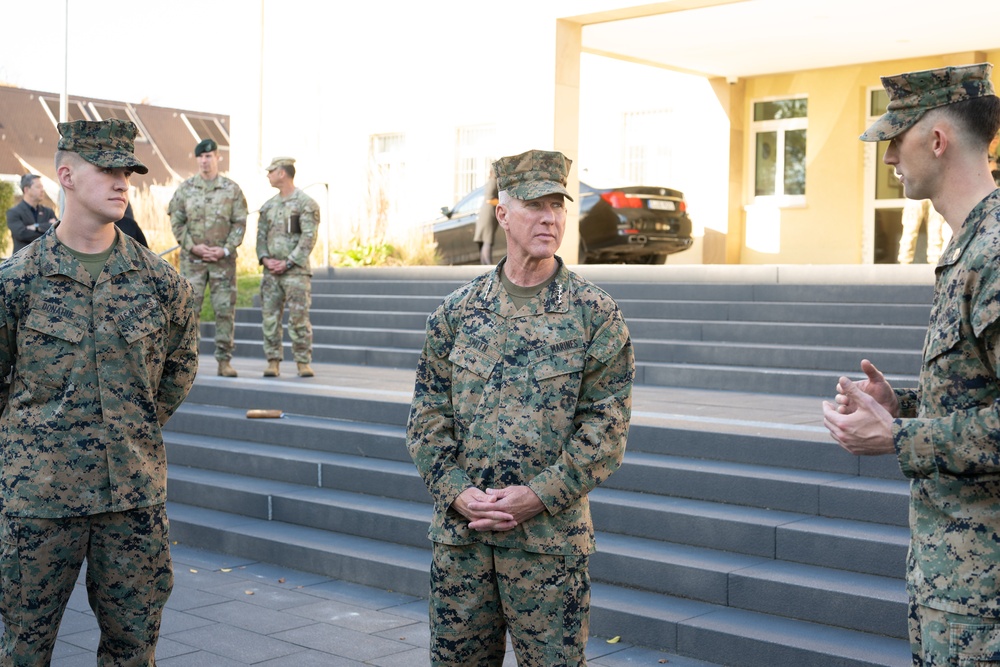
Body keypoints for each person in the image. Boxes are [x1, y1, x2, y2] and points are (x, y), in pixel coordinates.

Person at [406, 149, 634, 666]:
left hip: (548, 548)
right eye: (535, 205)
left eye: (557, 204)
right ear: (503, 213)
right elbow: (426, 420)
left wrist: (537, 495)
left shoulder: (594, 315)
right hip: (463, 545)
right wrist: (457, 492)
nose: (551, 217)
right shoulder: (458, 312)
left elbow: (606, 428)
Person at [0, 118, 200, 665]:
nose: (121, 182)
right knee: (23, 647)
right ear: (65, 175)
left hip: (132, 498)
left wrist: (129, 425)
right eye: (106, 170)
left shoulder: (161, 284)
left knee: (133, 650)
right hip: (40, 500)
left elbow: (178, 370)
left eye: (127, 172)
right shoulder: (16, 282)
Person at [822, 63, 1000, 665]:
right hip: (957, 589)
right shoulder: (971, 244)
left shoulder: (995, 251)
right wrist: (905, 406)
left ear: (938, 140)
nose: (889, 155)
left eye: (896, 138)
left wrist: (899, 437)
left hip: (985, 601)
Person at [168, 138, 248, 377]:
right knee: (189, 310)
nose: (205, 161)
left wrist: (225, 249)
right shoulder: (185, 189)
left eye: (209, 156)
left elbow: (240, 223)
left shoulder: (231, 190)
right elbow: (177, 221)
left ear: (217, 157)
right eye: (201, 157)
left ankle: (224, 361)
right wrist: (193, 247)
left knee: (224, 310)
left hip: (223, 263)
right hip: (194, 262)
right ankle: (190, 362)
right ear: (197, 160)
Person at [256, 157, 320, 378]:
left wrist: (289, 262)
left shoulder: (306, 203)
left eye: (271, 171)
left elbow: (308, 238)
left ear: (282, 173)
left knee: (298, 318)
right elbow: (260, 238)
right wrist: (265, 259)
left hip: (296, 273)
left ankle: (303, 361)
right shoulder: (268, 206)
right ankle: (273, 361)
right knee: (270, 318)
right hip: (271, 273)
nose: (268, 175)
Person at [6, 173, 58, 254]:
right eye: (38, 187)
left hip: (46, 262)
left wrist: (36, 227)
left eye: (42, 187)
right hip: (22, 263)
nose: (42, 190)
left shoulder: (48, 212)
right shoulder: (13, 212)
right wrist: (47, 229)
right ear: (26, 190)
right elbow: (22, 234)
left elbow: (57, 231)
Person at [897, 198, 951, 264]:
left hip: (933, 194)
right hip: (917, 193)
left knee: (935, 233)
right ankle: (904, 263)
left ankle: (934, 265)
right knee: (910, 230)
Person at [473, 165, 499, 265]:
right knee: (488, 239)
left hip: (486, 212)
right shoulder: (494, 181)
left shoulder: (490, 181)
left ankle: (485, 263)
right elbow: (491, 198)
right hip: (489, 213)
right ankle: (487, 263)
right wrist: (501, 203)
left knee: (485, 240)